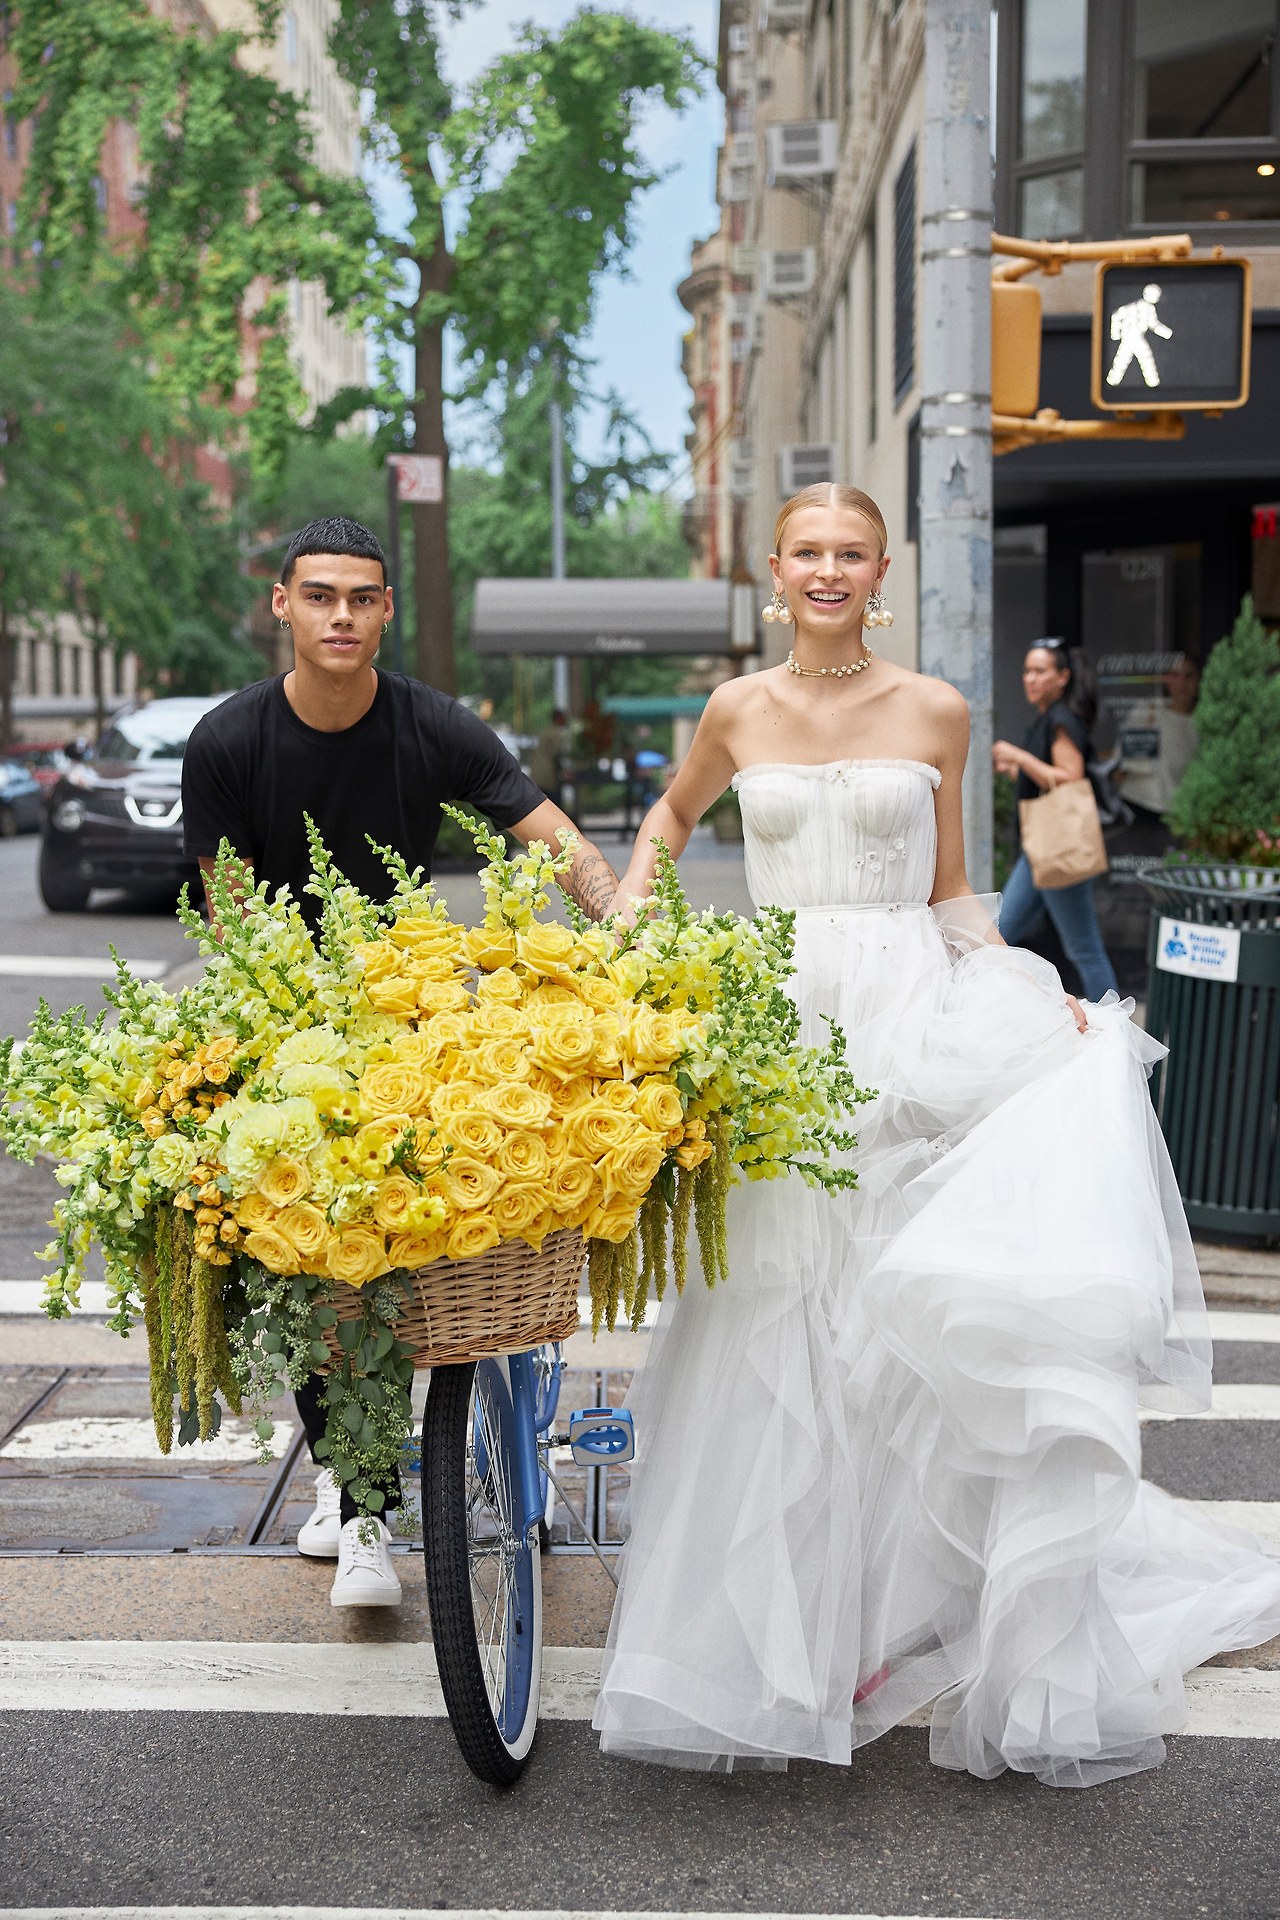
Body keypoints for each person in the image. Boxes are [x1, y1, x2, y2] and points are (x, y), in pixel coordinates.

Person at [592, 483, 1280, 1787]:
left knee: (894, 1327)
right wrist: (634, 905)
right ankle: (797, 1622)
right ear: (777, 570)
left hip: (908, 1018)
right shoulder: (736, 709)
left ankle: (882, 1607)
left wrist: (1037, 996)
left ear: (882, 567)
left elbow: (955, 887)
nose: (831, 571)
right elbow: (675, 819)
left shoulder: (939, 708)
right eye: (809, 553)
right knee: (774, 1313)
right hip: (777, 1020)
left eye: (852, 552)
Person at [181, 516, 619, 1608]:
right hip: (283, 1015)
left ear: (384, 610)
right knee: (319, 1249)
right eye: (319, 595)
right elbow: (231, 918)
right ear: (281, 604)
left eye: (361, 598)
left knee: (448, 1224)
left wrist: (626, 932)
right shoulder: (228, 740)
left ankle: (430, 1460)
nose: (341, 615)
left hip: (413, 1007)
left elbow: (554, 840)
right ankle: (353, 1489)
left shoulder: (432, 726)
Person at [993, 639, 1120, 1001]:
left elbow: (1070, 776)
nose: (1030, 679)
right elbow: (1046, 782)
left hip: (1057, 846)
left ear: (1062, 677)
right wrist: (1018, 771)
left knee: (1083, 949)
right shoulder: (1049, 720)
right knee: (996, 936)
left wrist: (1018, 756)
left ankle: (1116, 1029)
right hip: (1042, 850)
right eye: (1026, 671)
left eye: (1040, 671)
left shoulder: (1062, 720)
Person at [527, 709, 570, 808]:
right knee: (555, 807)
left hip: (537, 774)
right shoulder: (555, 733)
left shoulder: (545, 731)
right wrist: (563, 771)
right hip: (549, 776)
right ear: (559, 719)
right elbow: (556, 754)